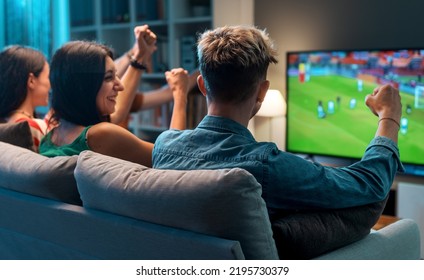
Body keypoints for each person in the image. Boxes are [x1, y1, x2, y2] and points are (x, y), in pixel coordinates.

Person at [152, 25, 403, 217]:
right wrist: (389, 116)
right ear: (262, 91)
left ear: (202, 86)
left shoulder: (163, 146)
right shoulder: (267, 167)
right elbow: (370, 184)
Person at [40, 25, 190, 167]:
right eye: (108, 77)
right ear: (83, 87)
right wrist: (180, 95)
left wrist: (139, 57)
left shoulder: (51, 137)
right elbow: (173, 157)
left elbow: (118, 110)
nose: (120, 86)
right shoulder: (100, 135)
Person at [0, 46, 51, 151]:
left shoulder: (5, 123)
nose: (51, 84)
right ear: (31, 81)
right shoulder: (33, 127)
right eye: (48, 77)